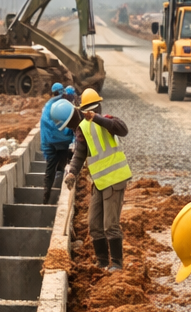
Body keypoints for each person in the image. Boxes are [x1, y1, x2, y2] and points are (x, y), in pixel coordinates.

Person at [63, 88, 131, 271]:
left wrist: (97, 118)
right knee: (94, 224)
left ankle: (116, 263)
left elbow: (123, 130)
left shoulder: (107, 121)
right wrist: (72, 172)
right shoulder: (83, 128)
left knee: (110, 225)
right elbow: (79, 154)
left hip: (115, 179)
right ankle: (102, 262)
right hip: (100, 182)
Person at [41, 98, 78, 204]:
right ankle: (51, 195)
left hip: (54, 145)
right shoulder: (63, 111)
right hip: (61, 145)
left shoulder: (52, 111)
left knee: (52, 169)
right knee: (59, 168)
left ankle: (47, 196)